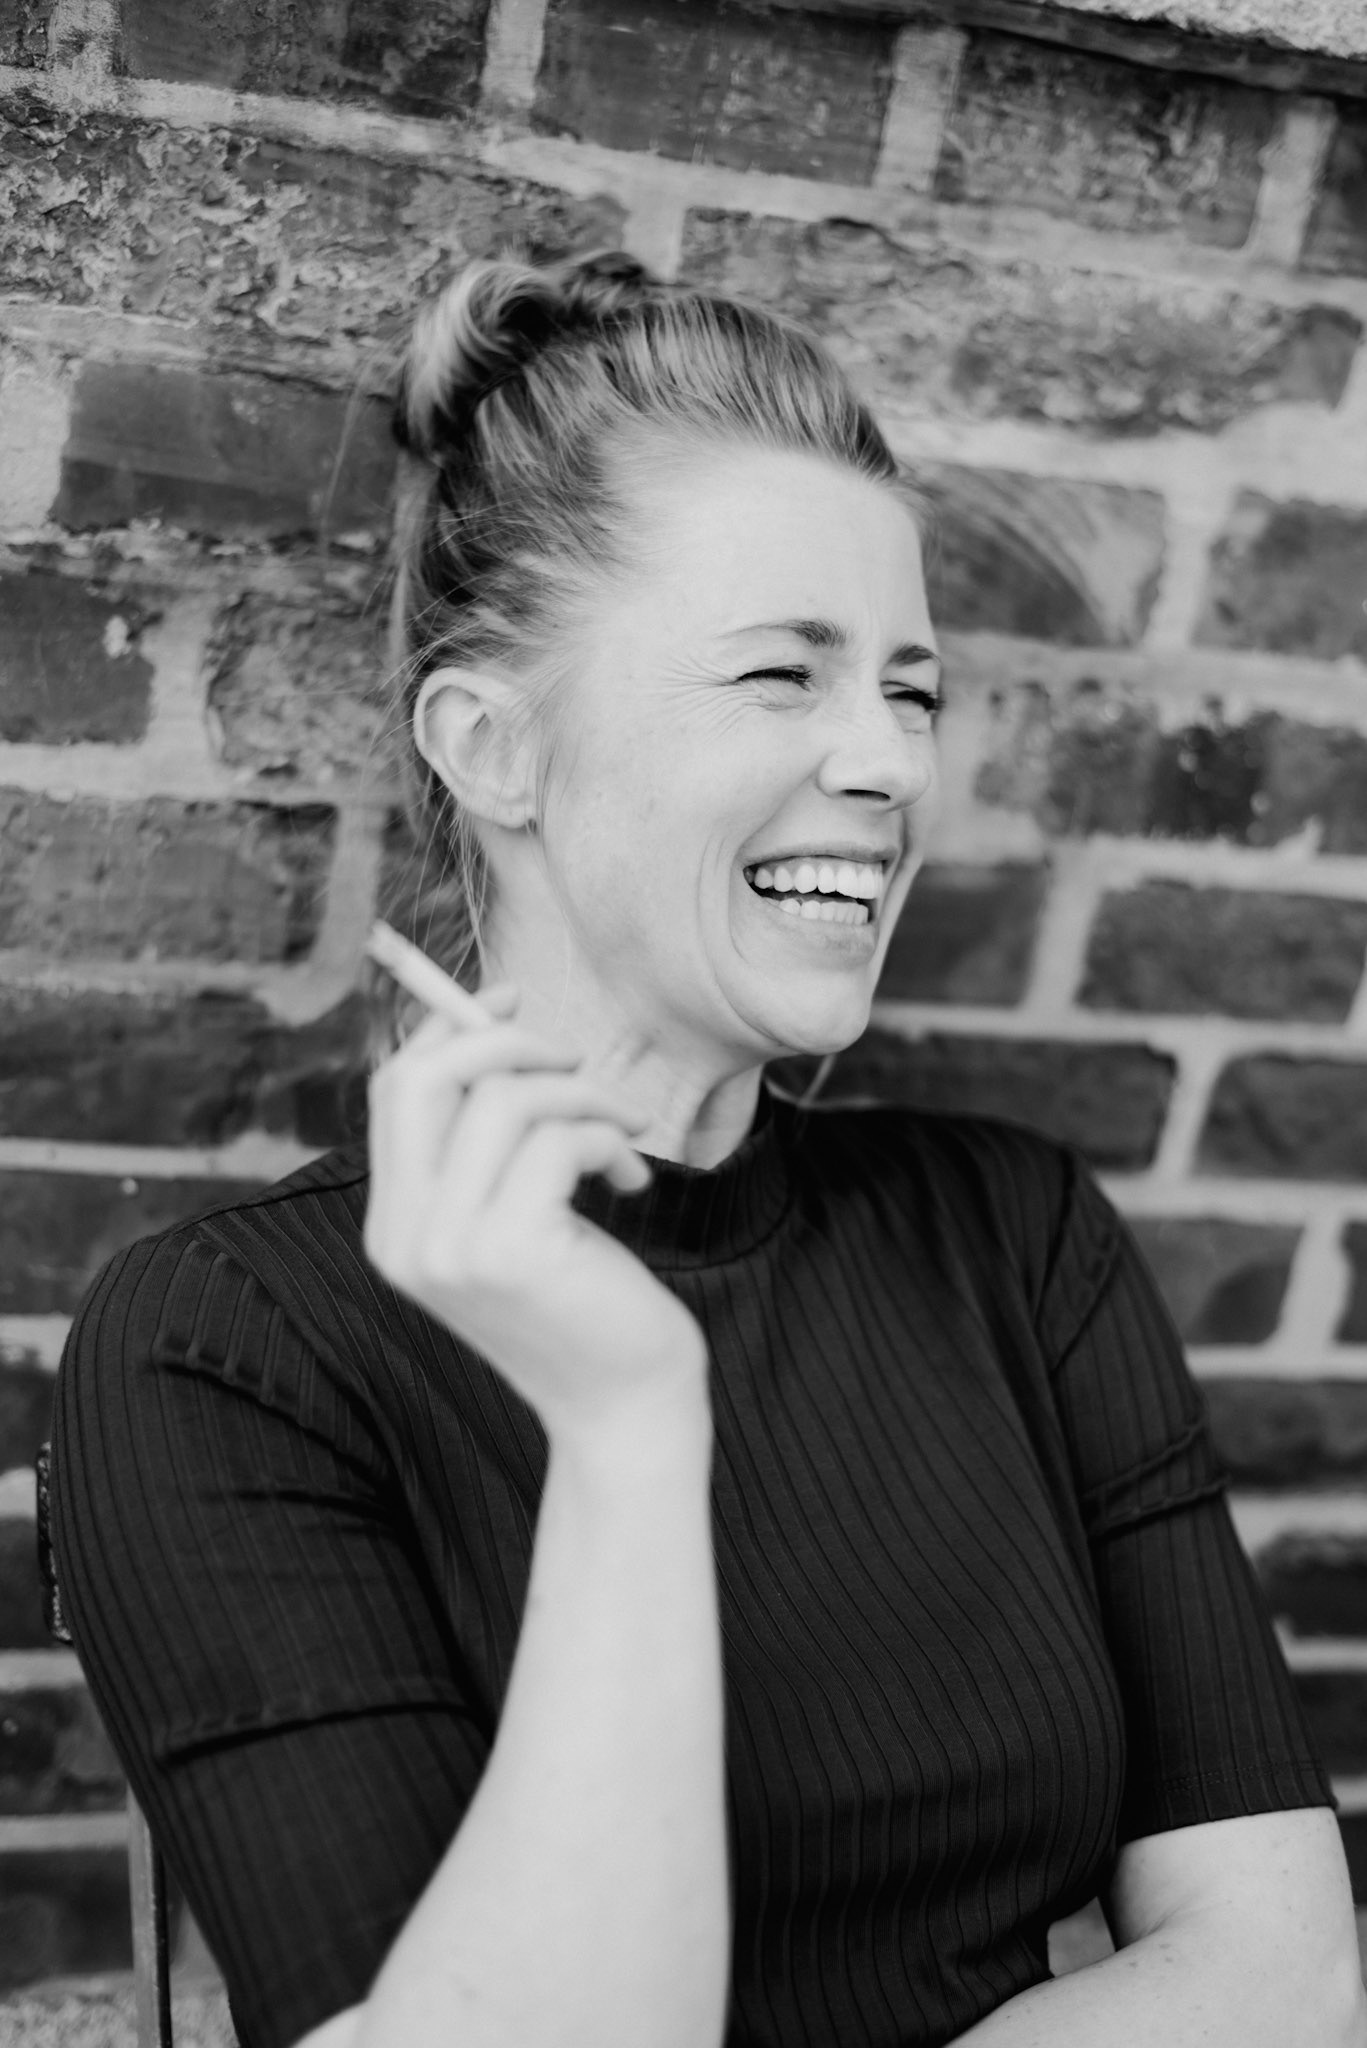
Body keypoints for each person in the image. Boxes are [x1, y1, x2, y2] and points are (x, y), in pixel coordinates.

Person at [50, 251, 1366, 2048]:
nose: (890, 765)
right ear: (495, 749)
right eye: (781, 673)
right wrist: (623, 1424)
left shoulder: (1012, 1234)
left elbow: (1286, 1981)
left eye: (910, 690)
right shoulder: (225, 1352)